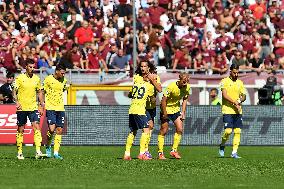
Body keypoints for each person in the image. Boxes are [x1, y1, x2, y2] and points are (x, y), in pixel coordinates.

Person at [123, 61, 155, 160]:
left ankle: (127, 154)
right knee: (146, 130)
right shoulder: (149, 86)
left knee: (133, 131)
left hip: (132, 109)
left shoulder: (136, 83)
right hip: (140, 110)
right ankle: (142, 154)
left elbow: (129, 95)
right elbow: (152, 98)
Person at [13, 60, 44, 160]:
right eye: (30, 67)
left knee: (37, 127)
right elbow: (14, 91)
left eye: (33, 67)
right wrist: (16, 102)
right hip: (22, 108)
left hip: (33, 107)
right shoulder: (19, 78)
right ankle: (20, 152)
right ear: (26, 67)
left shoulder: (36, 79)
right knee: (21, 129)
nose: (32, 69)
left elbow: (39, 92)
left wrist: (40, 105)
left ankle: (38, 151)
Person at [157, 73, 190, 159]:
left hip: (176, 110)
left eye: (187, 81)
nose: (185, 83)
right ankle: (160, 153)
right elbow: (163, 100)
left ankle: (174, 150)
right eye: (184, 81)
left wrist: (183, 112)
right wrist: (164, 113)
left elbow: (185, 99)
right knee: (164, 130)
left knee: (180, 129)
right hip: (166, 109)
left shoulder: (187, 87)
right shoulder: (171, 86)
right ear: (180, 79)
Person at [134, 59, 162, 158]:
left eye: (145, 66)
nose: (142, 68)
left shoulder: (155, 77)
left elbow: (159, 89)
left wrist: (152, 80)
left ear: (148, 67)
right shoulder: (137, 77)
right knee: (146, 127)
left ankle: (145, 150)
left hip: (152, 106)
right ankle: (144, 151)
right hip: (142, 106)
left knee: (150, 127)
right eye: (141, 66)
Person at [218, 63, 246, 159]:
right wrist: (235, 103)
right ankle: (222, 145)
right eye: (234, 73)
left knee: (238, 131)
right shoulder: (224, 81)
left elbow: (244, 96)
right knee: (228, 131)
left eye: (237, 73)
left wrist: (239, 100)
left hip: (238, 111)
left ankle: (234, 152)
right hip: (227, 110)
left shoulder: (240, 83)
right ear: (230, 72)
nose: (236, 75)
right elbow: (225, 95)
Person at [43, 64, 67, 160]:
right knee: (51, 130)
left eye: (64, 73)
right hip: (50, 107)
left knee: (59, 130)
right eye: (62, 73)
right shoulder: (48, 79)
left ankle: (56, 153)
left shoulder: (64, 81)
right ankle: (48, 146)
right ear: (56, 71)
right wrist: (41, 104)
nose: (63, 75)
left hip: (60, 108)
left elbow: (64, 89)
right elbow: (42, 91)